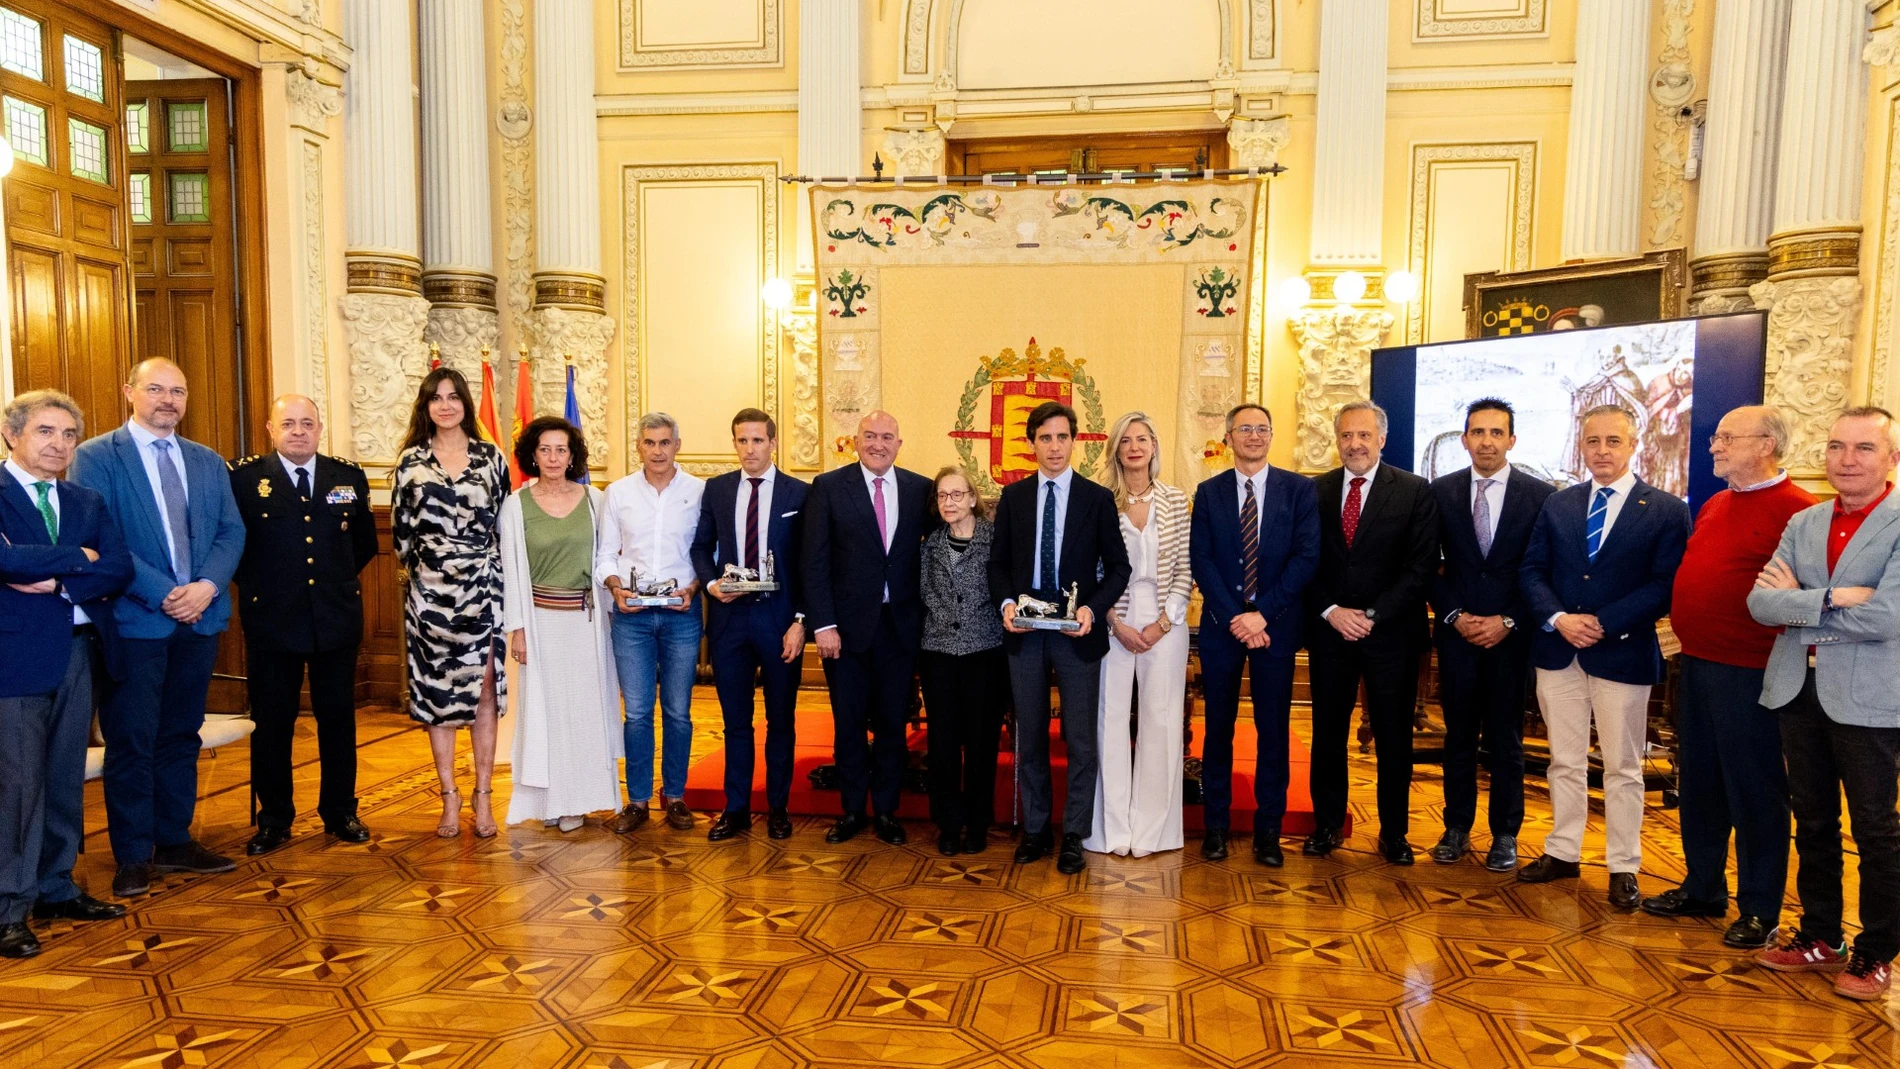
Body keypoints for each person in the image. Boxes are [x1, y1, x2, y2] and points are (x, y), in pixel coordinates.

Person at [71, 358, 246, 898]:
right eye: (155, 389)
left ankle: (174, 841)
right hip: (134, 620)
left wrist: (206, 588)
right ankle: (131, 854)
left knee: (179, 734)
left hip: (199, 620)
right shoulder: (96, 457)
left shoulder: (208, 461)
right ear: (130, 392)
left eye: (178, 390)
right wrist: (165, 593)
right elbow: (102, 539)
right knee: (132, 739)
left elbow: (229, 532)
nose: (167, 400)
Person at [1641, 406, 1813, 947]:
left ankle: (1760, 908)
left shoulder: (1800, 512)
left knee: (1755, 791)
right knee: (1700, 784)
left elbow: (1804, 596)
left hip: (1754, 674)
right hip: (1696, 665)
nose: (1713, 446)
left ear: (1766, 444)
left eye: (1725, 438)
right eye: (1715, 437)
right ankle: (1703, 888)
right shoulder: (1717, 502)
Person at [1748, 406, 1900, 1001]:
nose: (1847, 459)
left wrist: (1802, 606)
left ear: (1890, 458)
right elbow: (1760, 605)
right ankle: (1821, 936)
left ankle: (1876, 952)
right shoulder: (1805, 521)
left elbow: (1889, 616)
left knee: (1877, 830)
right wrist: (1837, 599)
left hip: (1869, 700)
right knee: (1812, 822)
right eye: (1837, 447)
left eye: (1864, 448)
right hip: (1797, 690)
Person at [1519, 404, 1690, 908]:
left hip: (1623, 652)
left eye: (1613, 441)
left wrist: (1604, 622)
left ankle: (1623, 865)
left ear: (1635, 445)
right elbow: (1532, 570)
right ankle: (1563, 851)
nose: (1602, 451)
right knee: (1563, 761)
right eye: (1593, 441)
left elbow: (1665, 584)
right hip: (1558, 650)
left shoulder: (1665, 509)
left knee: (1622, 766)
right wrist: (1558, 618)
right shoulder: (1559, 504)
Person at [0, 391, 132, 958]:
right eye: (46, 432)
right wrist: (79, 557)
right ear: (13, 435)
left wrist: (52, 575)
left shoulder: (85, 499)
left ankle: (55, 886)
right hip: (16, 659)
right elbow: (4, 561)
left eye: (69, 435)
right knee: (17, 786)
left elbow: (120, 566)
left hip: (80, 653)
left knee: (62, 778)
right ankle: (9, 907)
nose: (59, 445)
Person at [228, 395, 378, 856]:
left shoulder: (346, 477)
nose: (298, 431)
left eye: (307, 423)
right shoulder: (245, 479)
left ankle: (340, 811)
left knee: (339, 721)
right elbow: (234, 547)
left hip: (334, 618)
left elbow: (365, 545)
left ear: (320, 428)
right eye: (288, 423)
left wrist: (327, 585)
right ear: (269, 428)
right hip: (273, 619)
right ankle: (273, 819)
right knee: (272, 723)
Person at [990, 401, 1132, 875]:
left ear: (1075, 442)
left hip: (1078, 635)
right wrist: (1008, 604)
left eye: (1062, 437)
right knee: (1028, 735)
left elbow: (1118, 567)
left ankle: (1074, 833)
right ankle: (1035, 831)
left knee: (1080, 740)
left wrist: (1092, 608)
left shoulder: (1096, 499)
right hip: (1026, 634)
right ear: (1031, 444)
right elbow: (998, 564)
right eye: (1045, 438)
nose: (1054, 446)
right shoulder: (1013, 498)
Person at [1303, 400, 1438, 864]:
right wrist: (1331, 610)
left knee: (1394, 736)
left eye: (1364, 435)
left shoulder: (1415, 491)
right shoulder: (1315, 491)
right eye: (1346, 436)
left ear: (1382, 438)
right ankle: (1327, 825)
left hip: (1392, 636)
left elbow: (1420, 568)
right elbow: (1305, 561)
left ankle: (1394, 834)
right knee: (1327, 733)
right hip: (1330, 633)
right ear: (1336, 440)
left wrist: (1374, 614)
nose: (1354, 444)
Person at [1427, 398, 1555, 871]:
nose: (1486, 441)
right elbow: (1426, 566)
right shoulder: (1439, 493)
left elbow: (1543, 569)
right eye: (1477, 432)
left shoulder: (1540, 496)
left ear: (1512, 440)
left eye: (1496, 433)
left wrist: (1508, 619)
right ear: (1464, 440)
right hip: (1457, 635)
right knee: (1457, 736)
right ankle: (1456, 827)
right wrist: (1454, 614)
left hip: (1510, 638)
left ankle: (1505, 834)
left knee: (1507, 741)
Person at [1191, 404, 1319, 867]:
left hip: (1276, 628)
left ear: (1271, 435)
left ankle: (1269, 830)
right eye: (1244, 428)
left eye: (1262, 429)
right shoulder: (1209, 492)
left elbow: (1306, 558)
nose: (1253, 436)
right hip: (1223, 629)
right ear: (1228, 437)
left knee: (1272, 731)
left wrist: (1261, 614)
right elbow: (1201, 560)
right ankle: (1217, 828)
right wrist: (1235, 618)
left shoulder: (1299, 490)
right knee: (1218, 731)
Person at [801, 411, 934, 846]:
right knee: (849, 723)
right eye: (870, 436)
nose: (878, 444)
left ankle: (889, 811)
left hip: (899, 630)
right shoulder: (829, 488)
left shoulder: (919, 490)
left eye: (887, 437)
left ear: (900, 444)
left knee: (894, 725)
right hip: (846, 632)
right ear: (855, 441)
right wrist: (823, 624)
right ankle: (854, 810)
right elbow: (814, 561)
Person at [391, 368, 510, 840]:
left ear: (465, 404)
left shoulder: (491, 457)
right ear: (426, 407)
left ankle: (482, 796)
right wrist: (430, 571)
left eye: (453, 397)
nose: (445, 405)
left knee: (482, 691)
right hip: (430, 595)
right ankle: (449, 797)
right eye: (436, 398)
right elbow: (401, 536)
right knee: (437, 695)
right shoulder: (410, 461)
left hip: (484, 590)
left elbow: (504, 526)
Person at [499, 417, 623, 832]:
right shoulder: (516, 505)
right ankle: (548, 800)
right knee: (545, 715)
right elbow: (511, 572)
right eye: (545, 450)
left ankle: (580, 801)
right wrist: (517, 629)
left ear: (573, 456)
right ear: (532, 454)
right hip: (539, 626)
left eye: (562, 450)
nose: (553, 458)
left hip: (587, 626)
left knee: (585, 715)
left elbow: (610, 558)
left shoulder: (595, 500)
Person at [692, 409, 809, 842]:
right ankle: (736, 809)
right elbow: (701, 546)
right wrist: (709, 584)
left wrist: (801, 621)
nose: (749, 449)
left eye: (758, 441)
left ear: (773, 443)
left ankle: (778, 808)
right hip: (730, 622)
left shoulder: (800, 493)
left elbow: (808, 564)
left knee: (782, 720)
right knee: (735, 722)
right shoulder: (718, 490)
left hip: (779, 622)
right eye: (742, 441)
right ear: (734, 443)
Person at [1086, 412, 1191, 859]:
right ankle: (1112, 831)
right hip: (1113, 621)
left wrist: (1162, 623)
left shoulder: (1176, 499)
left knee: (1161, 722)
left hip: (1166, 621)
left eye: (1142, 438)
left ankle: (1154, 832)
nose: (1134, 446)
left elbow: (1187, 568)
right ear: (1115, 449)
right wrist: (1116, 622)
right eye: (1125, 440)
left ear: (1153, 446)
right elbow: (1092, 570)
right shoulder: (1100, 502)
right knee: (1109, 723)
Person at [597, 413, 704, 834]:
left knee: (678, 712)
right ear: (638, 446)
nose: (657, 451)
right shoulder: (619, 493)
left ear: (678, 445)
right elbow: (606, 552)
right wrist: (614, 586)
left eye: (665, 442)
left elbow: (706, 553)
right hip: (632, 618)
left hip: (682, 614)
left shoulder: (699, 492)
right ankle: (637, 801)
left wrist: (694, 587)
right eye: (649, 443)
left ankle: (675, 797)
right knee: (638, 713)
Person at [918, 465, 1009, 856]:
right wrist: (949, 622)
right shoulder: (930, 543)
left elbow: (1005, 586)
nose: (949, 502)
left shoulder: (995, 540)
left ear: (973, 498)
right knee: (942, 743)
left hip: (985, 652)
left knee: (981, 742)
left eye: (957, 494)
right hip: (938, 652)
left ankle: (977, 822)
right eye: (942, 496)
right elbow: (925, 590)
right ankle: (948, 823)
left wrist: (970, 623)